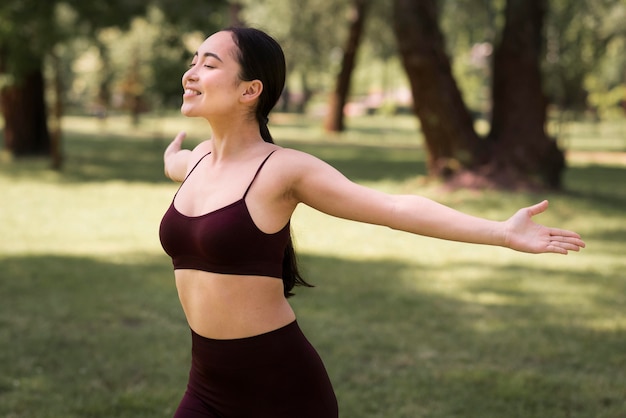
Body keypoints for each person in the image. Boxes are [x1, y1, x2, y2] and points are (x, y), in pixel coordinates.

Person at [158, 27, 585, 418]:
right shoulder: (197, 162)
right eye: (193, 61)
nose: (191, 73)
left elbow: (395, 208)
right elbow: (177, 164)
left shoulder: (284, 171)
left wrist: (501, 232)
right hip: (206, 387)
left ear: (250, 90)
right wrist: (171, 158)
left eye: (209, 64)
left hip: (279, 390)